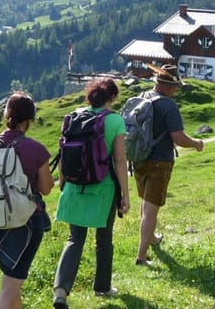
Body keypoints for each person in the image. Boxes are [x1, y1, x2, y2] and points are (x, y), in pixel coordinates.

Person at [0, 91, 54, 309]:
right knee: (11, 286)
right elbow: (45, 189)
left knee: (10, 280)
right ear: (30, 120)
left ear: (7, 114)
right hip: (25, 222)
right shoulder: (36, 149)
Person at [53, 78, 130, 309]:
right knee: (104, 239)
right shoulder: (115, 120)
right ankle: (103, 287)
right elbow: (119, 160)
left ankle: (60, 291)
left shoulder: (73, 117)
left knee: (75, 238)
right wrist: (125, 195)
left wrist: (63, 181)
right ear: (112, 97)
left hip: (76, 186)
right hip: (103, 187)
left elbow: (63, 151)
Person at [134, 64, 204, 266]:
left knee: (147, 204)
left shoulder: (143, 97)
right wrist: (196, 144)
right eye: (174, 87)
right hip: (160, 162)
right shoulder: (168, 106)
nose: (175, 91)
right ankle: (141, 257)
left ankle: (152, 238)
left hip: (138, 158)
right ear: (167, 86)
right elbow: (179, 138)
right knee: (151, 210)